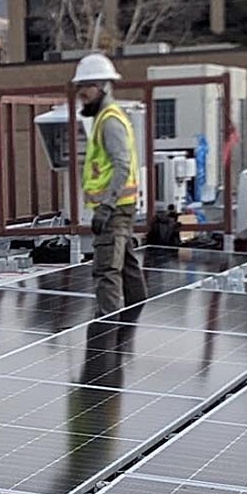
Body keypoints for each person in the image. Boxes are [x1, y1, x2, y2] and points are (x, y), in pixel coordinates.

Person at [73, 53, 146, 315]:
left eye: (85, 87)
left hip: (114, 210)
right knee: (125, 263)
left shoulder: (110, 121)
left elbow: (122, 165)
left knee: (107, 270)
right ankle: (137, 312)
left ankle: (107, 329)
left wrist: (106, 206)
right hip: (118, 208)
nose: (81, 93)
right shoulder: (105, 118)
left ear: (101, 86)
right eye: (79, 87)